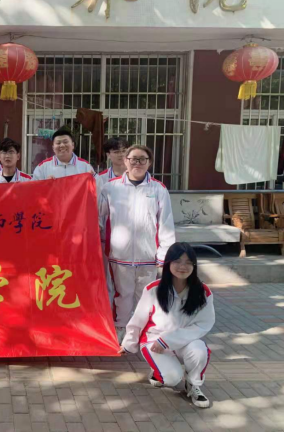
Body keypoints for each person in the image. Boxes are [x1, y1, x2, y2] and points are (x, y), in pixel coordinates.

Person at [119, 242, 214, 409]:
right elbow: (138, 320)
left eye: (188, 262)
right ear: (168, 263)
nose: (182, 266)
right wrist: (128, 344)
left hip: (184, 341)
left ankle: (193, 385)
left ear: (194, 265)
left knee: (199, 350)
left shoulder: (202, 292)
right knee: (171, 378)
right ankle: (158, 371)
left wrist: (168, 340)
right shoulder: (153, 289)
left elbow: (203, 324)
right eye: (177, 261)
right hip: (154, 341)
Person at [99, 144, 175, 343]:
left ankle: (144, 333)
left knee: (146, 296)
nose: (137, 163)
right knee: (121, 296)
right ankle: (121, 331)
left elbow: (165, 223)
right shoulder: (111, 188)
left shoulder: (158, 189)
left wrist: (164, 255)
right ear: (126, 161)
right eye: (133, 159)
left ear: (149, 163)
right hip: (119, 255)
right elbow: (98, 218)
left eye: (142, 159)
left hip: (148, 256)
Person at [98, 137, 129, 305]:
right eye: (116, 151)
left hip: (130, 238)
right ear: (108, 155)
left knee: (127, 281)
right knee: (107, 279)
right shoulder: (100, 179)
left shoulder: (136, 176)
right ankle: (110, 314)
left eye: (124, 151)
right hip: (106, 237)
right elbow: (96, 209)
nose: (121, 154)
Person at [32, 127, 102, 190]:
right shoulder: (43, 167)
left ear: (73, 145)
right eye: (58, 143)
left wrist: (92, 179)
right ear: (53, 147)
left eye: (65, 142)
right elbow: (34, 190)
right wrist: (44, 185)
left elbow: (97, 191)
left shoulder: (85, 166)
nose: (62, 145)